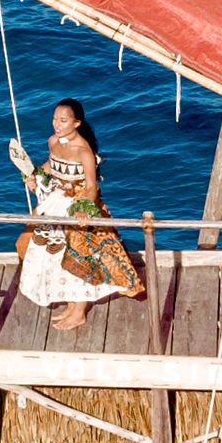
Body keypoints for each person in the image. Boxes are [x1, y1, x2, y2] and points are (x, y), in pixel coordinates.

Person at [10, 98, 143, 332]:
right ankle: (72, 305)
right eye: (54, 119)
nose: (57, 125)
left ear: (77, 123)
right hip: (55, 201)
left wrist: (83, 208)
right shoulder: (53, 141)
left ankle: (80, 311)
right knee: (51, 255)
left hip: (77, 204)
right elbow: (51, 166)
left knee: (78, 257)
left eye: (63, 120)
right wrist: (35, 175)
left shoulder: (84, 151)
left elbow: (92, 186)